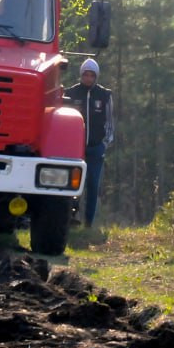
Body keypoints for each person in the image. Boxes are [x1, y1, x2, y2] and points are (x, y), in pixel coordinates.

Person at [65, 57, 114, 227]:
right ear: (81, 75)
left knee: (93, 186)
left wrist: (104, 143)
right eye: (85, 75)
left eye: (91, 75)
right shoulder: (71, 93)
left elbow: (110, 122)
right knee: (72, 184)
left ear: (96, 76)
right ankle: (70, 218)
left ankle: (88, 223)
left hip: (95, 148)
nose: (88, 78)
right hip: (74, 149)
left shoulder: (104, 95)